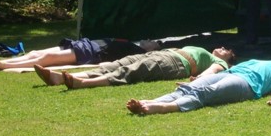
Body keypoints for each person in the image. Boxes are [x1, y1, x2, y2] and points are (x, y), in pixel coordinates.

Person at [126, 59, 271, 115]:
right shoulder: (262, 60)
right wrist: (200, 77)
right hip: (230, 73)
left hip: (247, 84)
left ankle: (160, 107)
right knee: (186, 88)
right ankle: (146, 102)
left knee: (206, 93)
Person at [34, 46, 236, 89]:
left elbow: (213, 72)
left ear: (229, 58)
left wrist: (200, 79)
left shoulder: (221, 63)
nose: (222, 48)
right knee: (118, 63)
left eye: (226, 50)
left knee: (134, 70)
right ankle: (59, 77)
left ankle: (84, 83)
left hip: (176, 64)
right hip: (165, 54)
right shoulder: (204, 48)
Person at [0, 38, 157, 71]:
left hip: (89, 53)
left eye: (154, 43)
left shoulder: (137, 51)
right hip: (83, 45)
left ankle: (2, 65)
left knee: (45, 60)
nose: (151, 41)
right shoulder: (131, 43)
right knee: (35, 52)